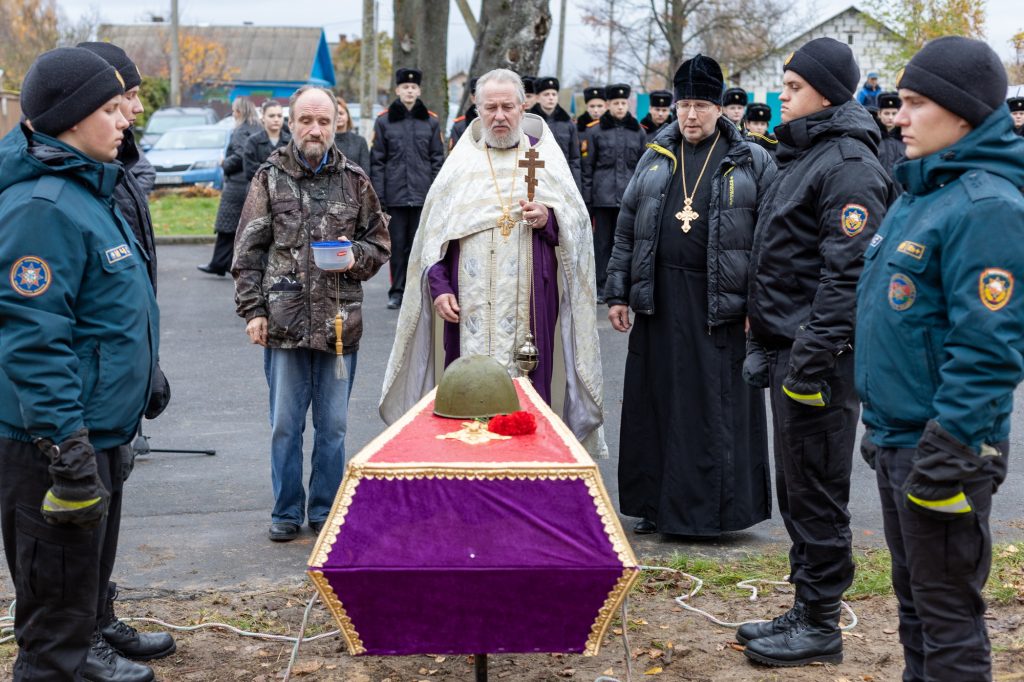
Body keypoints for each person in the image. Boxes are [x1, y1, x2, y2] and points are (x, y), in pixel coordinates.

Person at [855, 37, 1024, 681]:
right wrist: (884, 425)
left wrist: (950, 447)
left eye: (915, 103)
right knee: (915, 608)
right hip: (900, 437)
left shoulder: (987, 208)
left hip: (947, 448)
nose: (898, 117)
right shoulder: (920, 194)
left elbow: (989, 346)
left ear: (964, 114)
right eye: (899, 103)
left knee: (948, 617)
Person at [0, 47, 160, 682]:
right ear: (69, 119)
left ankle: (85, 647)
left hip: (99, 427)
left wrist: (144, 374)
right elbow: (34, 337)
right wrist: (63, 440)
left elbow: (107, 312)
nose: (124, 118)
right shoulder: (43, 207)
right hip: (55, 437)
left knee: (83, 561)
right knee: (56, 572)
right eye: (108, 108)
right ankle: (59, 666)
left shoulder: (88, 190)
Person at [741, 37, 894, 667]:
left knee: (819, 492)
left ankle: (822, 624)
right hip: (790, 352)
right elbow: (778, 258)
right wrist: (763, 339)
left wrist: (805, 359)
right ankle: (805, 605)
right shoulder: (804, 154)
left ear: (827, 92)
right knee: (797, 490)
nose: (782, 93)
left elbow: (846, 278)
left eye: (794, 85)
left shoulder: (848, 164)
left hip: (820, 364)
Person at [380, 68, 604, 453]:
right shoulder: (461, 166)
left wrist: (548, 219)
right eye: (490, 108)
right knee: (464, 405)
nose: (499, 116)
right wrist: (439, 288)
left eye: (507, 107)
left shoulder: (544, 158)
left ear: (523, 107)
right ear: (476, 110)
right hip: (466, 312)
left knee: (529, 404)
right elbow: (434, 242)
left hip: (529, 311)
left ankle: (528, 480)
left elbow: (577, 233)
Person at [607, 54, 776, 537]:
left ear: (720, 108)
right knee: (657, 404)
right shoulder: (655, 155)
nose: (691, 116)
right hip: (660, 298)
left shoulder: (751, 159)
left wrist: (758, 306)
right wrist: (619, 291)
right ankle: (657, 505)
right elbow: (626, 229)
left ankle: (716, 513)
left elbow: (768, 240)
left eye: (702, 105)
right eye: (684, 105)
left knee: (712, 407)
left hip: (720, 303)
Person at [233, 86, 390, 543]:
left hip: (340, 325)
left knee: (334, 426)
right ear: (291, 122)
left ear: (336, 123)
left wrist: (354, 255)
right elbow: (248, 252)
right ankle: (285, 511)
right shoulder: (269, 177)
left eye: (323, 120)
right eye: (306, 120)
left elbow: (380, 244)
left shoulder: (355, 180)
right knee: (284, 425)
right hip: (283, 323)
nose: (315, 129)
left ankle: (324, 509)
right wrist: (252, 311)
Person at [77, 39, 178, 671]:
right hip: (85, 390)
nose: (133, 111)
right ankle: (76, 635)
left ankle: (98, 615)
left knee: (109, 507)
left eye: (134, 97)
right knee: (77, 520)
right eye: (123, 98)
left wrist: (147, 366)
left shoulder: (120, 166)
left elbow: (131, 285)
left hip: (119, 379)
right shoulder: (80, 174)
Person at [370, 67, 445, 310]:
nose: (409, 91)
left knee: (420, 246)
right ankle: (397, 291)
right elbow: (378, 161)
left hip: (423, 195)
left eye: (413, 87)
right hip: (396, 195)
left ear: (419, 90)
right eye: (405, 87)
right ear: (397, 90)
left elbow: (437, 159)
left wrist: (435, 192)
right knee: (398, 247)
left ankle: (419, 292)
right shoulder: (384, 121)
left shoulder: (431, 121)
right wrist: (380, 196)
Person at [582, 83, 647, 302]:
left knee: (628, 243)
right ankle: (602, 287)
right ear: (608, 104)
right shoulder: (595, 131)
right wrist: (588, 201)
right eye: (616, 103)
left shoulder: (637, 131)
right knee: (602, 245)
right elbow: (588, 168)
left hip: (629, 199)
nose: (620, 107)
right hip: (603, 198)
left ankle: (625, 286)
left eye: (623, 103)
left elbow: (642, 168)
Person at [198, 97, 262, 276]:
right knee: (244, 226)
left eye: (234, 110)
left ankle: (218, 263)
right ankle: (228, 263)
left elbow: (242, 153)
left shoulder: (241, 130)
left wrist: (225, 163)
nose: (233, 114)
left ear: (240, 112)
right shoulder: (259, 128)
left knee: (226, 226)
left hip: (237, 183)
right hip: (252, 182)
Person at [529, 75, 582, 189]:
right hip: (537, 180)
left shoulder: (568, 124)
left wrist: (576, 186)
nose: (551, 98)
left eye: (554, 94)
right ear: (537, 98)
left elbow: (574, 158)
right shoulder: (528, 122)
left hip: (562, 180)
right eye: (546, 94)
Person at [243, 100, 290, 182]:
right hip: (259, 189)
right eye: (271, 116)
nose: (276, 119)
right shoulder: (253, 142)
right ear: (263, 118)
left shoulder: (290, 141)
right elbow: (250, 171)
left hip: (286, 191)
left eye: (279, 116)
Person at [334, 97, 370, 172]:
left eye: (341, 113)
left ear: (347, 116)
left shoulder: (360, 141)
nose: (338, 117)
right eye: (335, 114)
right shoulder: (326, 142)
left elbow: (365, 171)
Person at [875, 91, 905, 181]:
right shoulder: (873, 137)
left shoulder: (906, 137)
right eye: (886, 113)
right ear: (879, 114)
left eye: (894, 113)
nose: (890, 117)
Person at [449, 77, 478, 151]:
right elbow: (454, 156)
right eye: (477, 95)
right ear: (473, 98)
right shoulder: (459, 126)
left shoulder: (498, 122)